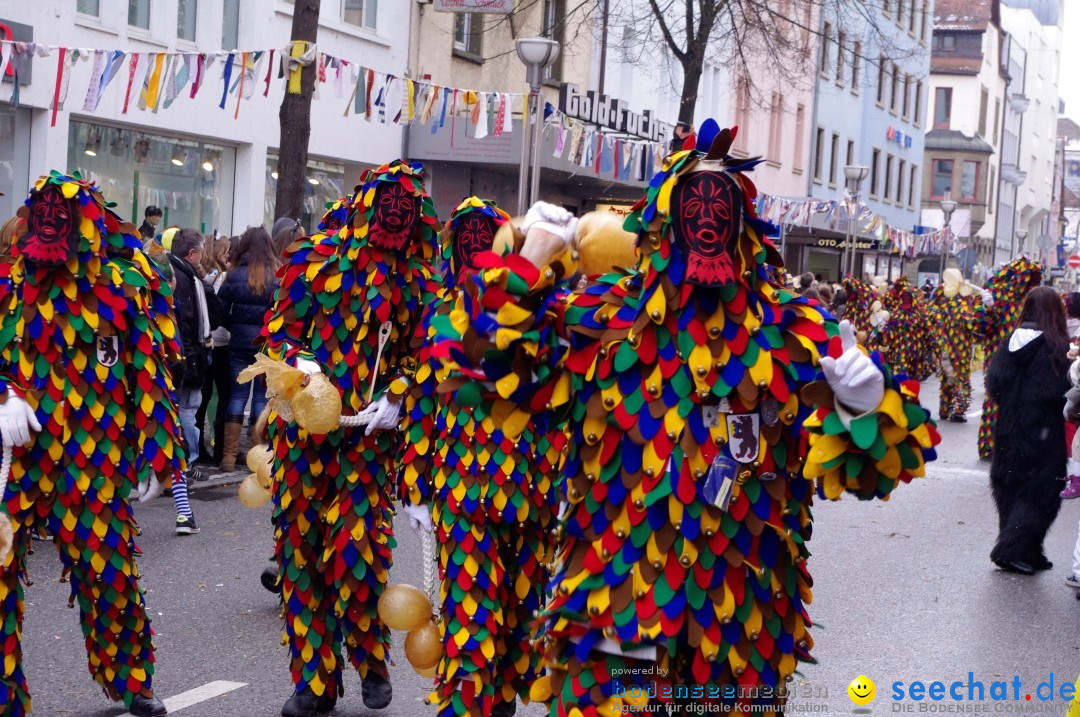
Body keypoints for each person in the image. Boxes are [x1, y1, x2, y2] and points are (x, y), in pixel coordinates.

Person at [433, 126, 940, 714]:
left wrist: (864, 407)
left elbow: (870, 475)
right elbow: (477, 369)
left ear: (744, 227)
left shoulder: (791, 331)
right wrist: (529, 258)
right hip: (617, 603)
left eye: (719, 208)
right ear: (664, 224)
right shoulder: (606, 317)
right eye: (692, 207)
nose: (705, 222)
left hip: (741, 619)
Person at [0, 173, 185, 717]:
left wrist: (161, 454)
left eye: (64, 211)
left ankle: (130, 680)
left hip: (94, 458)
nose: (52, 219)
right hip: (19, 461)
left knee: (109, 574)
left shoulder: (120, 286)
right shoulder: (7, 287)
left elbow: (148, 373)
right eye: (43, 210)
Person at [262, 160, 441, 717]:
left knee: (357, 555)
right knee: (303, 559)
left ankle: (369, 660)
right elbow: (279, 331)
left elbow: (424, 354)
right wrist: (304, 366)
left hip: (367, 444)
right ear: (365, 206)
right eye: (385, 203)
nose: (394, 215)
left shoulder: (417, 280)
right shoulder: (314, 261)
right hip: (303, 441)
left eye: (404, 207)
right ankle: (314, 683)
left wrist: (398, 392)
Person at [399, 197, 563, 717]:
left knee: (519, 610)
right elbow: (424, 398)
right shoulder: (443, 313)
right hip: (462, 488)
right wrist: (414, 487)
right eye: (462, 236)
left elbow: (566, 397)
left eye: (482, 236)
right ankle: (469, 705)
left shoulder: (549, 312)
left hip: (532, 486)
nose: (472, 246)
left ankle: (497, 700)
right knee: (471, 611)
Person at [987, 285, 1071, 574]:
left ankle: (1030, 551)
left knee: (1009, 487)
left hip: (1008, 428)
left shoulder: (1009, 341)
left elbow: (994, 385)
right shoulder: (1056, 347)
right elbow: (1058, 390)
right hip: (1043, 432)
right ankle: (1009, 550)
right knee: (1043, 494)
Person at [168, 229, 222, 526]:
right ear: (192, 253)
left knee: (184, 414)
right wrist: (187, 364)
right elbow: (185, 322)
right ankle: (185, 464)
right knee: (186, 414)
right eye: (201, 252)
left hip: (188, 359)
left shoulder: (189, 275)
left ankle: (184, 509)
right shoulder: (183, 278)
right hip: (186, 361)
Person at [217, 226, 280, 471]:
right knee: (259, 400)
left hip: (239, 342)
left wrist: (232, 326)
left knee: (236, 396)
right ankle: (256, 455)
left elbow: (220, 309)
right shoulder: (276, 275)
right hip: (265, 344)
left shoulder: (233, 275)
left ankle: (229, 457)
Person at [976, 258, 1043, 459]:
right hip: (998, 355)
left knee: (1020, 402)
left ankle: (1012, 446)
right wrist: (988, 309)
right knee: (994, 399)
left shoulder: (1030, 299)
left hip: (1024, 354)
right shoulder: (997, 294)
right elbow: (981, 328)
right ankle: (988, 446)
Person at [196, 233, 234, 465]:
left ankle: (198, 447)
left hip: (206, 342)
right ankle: (220, 448)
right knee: (225, 398)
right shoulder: (223, 277)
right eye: (226, 250)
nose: (230, 254)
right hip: (222, 344)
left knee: (203, 397)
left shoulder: (202, 276)